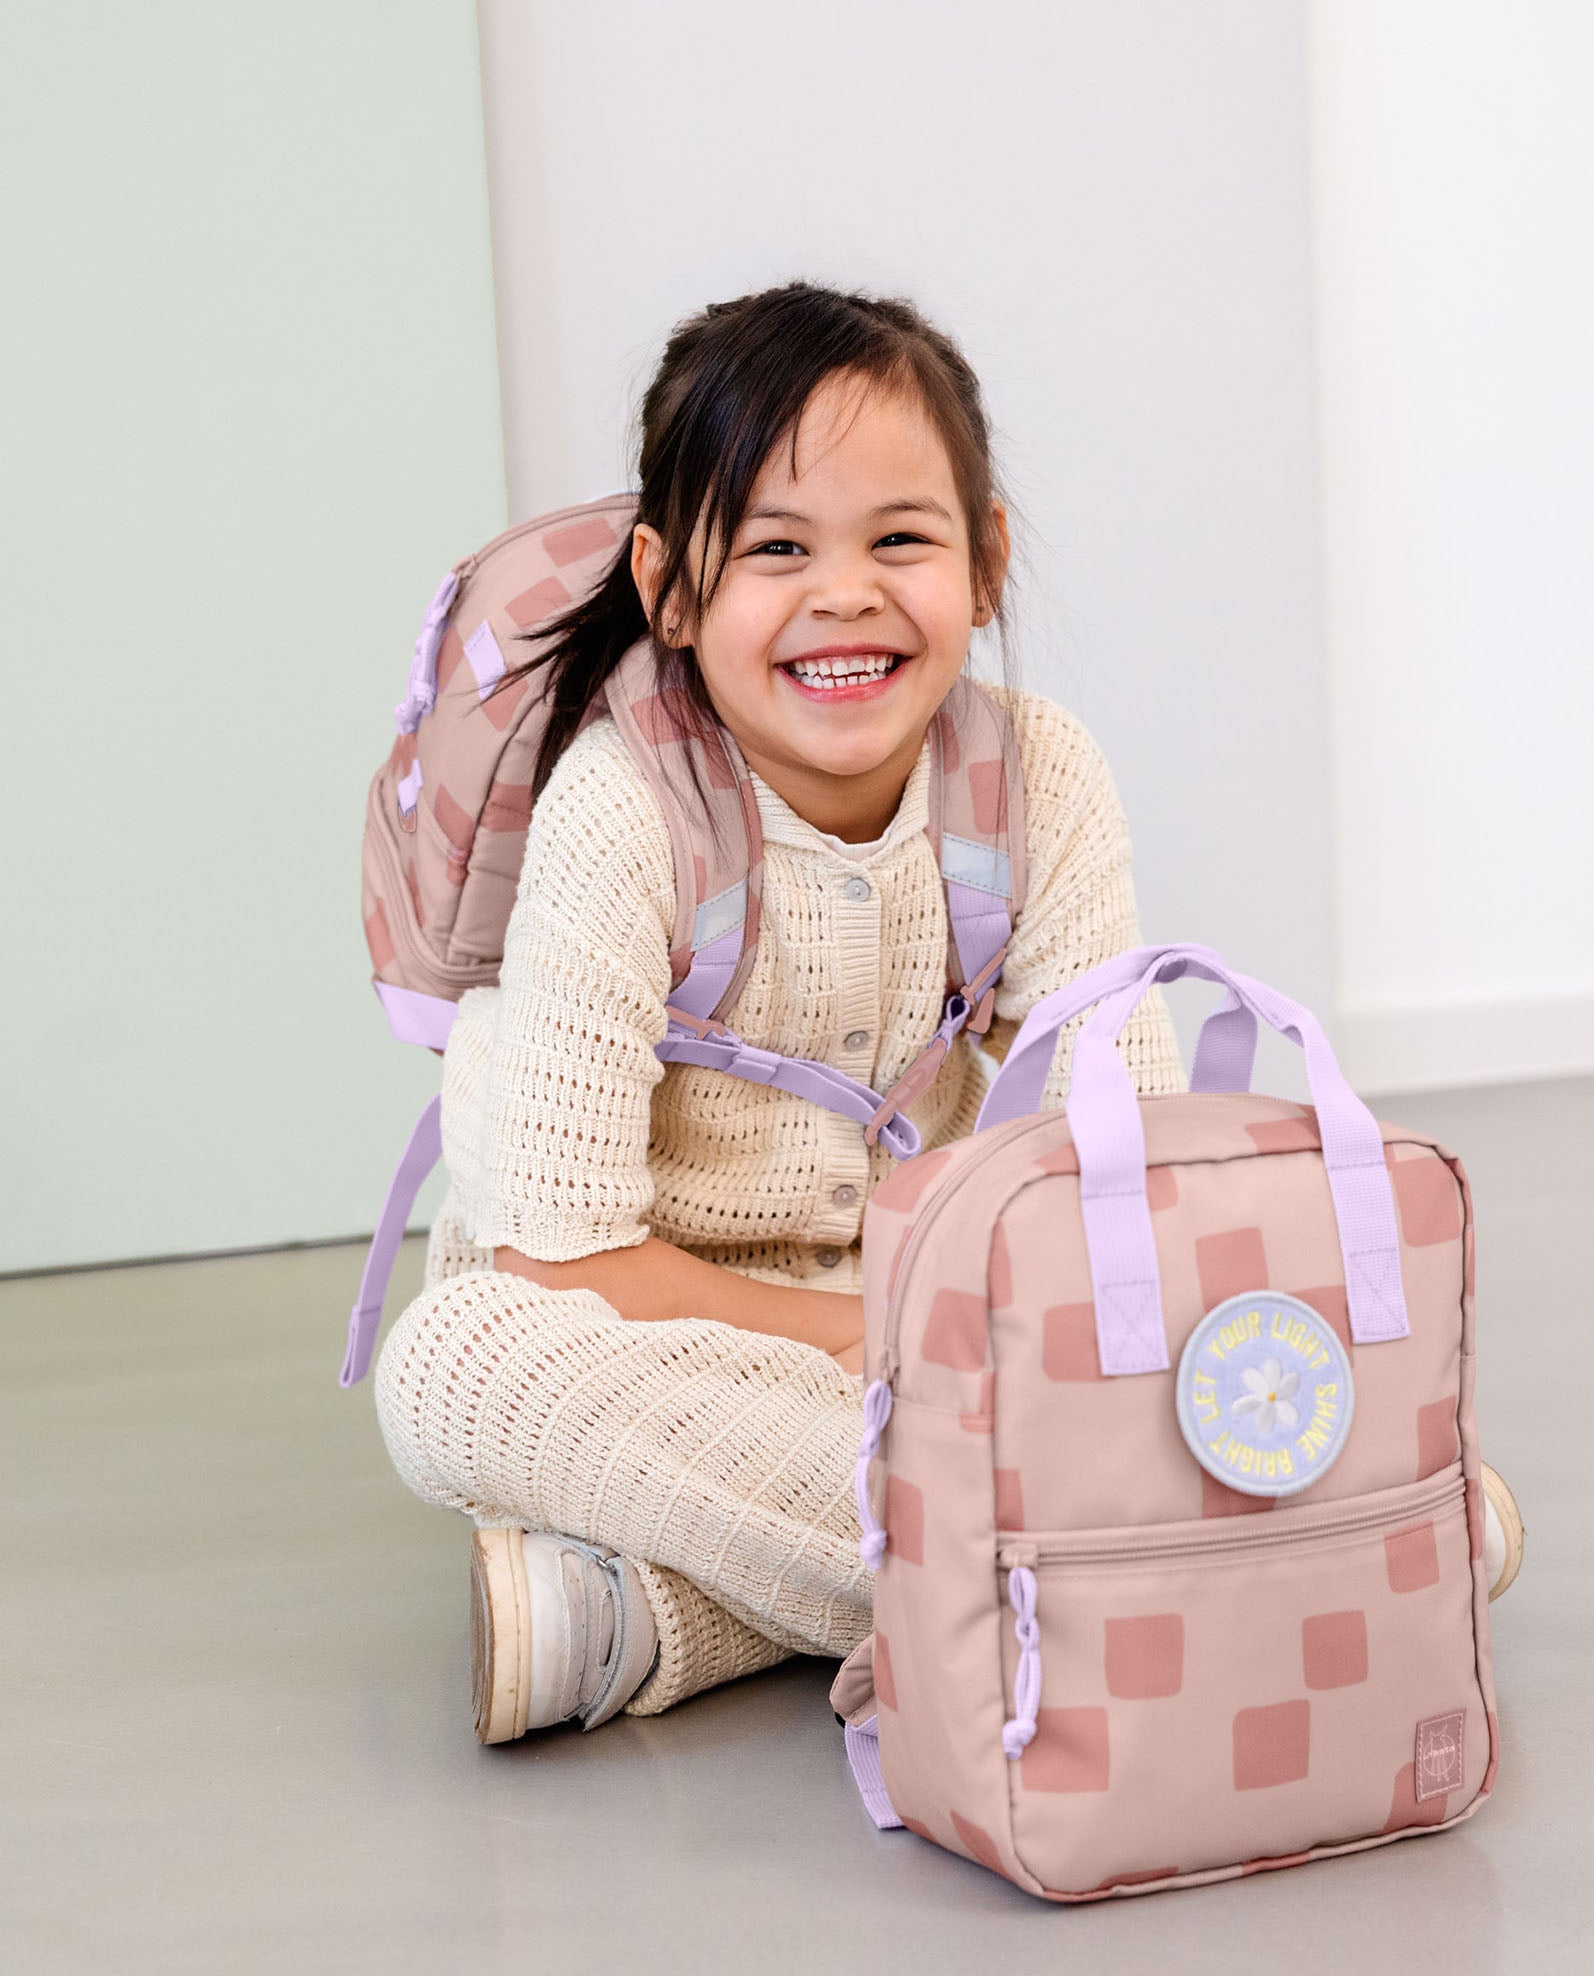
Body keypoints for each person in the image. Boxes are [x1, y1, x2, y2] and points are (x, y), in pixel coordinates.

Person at [373, 280, 1522, 1747]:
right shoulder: (624, 810)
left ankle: (654, 1624)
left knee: (1149, 1347)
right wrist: (879, 1340)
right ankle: (1281, 1556)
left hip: (949, 1325)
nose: (843, 593)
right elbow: (558, 1255)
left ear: (982, 563)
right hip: (661, 1313)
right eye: (775, 548)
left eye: (898, 540)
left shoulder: (1036, 775)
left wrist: (999, 1343)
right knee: (458, 1370)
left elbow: (1135, 1160)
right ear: (671, 588)